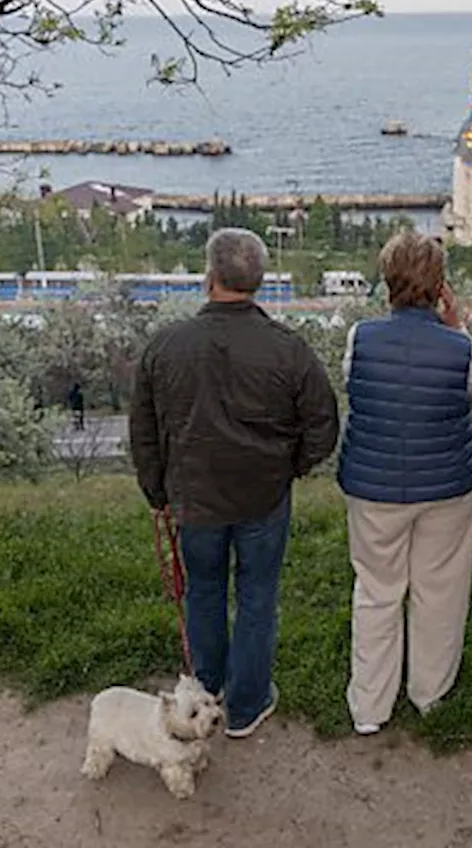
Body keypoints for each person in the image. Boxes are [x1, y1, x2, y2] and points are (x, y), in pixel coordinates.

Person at [129, 229, 339, 739]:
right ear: (260, 281)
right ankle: (246, 707)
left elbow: (144, 431)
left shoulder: (166, 346)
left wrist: (157, 491)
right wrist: (290, 466)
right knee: (257, 596)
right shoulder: (289, 351)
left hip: (194, 498)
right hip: (263, 497)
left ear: (209, 278)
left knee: (202, 591)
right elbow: (323, 426)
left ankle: (207, 690)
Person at [337, 231, 472, 735]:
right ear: (440, 287)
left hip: (372, 484)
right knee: (440, 588)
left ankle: (369, 708)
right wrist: (459, 328)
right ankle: (430, 694)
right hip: (448, 482)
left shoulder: (359, 337)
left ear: (387, 282)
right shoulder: (461, 349)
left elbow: (354, 384)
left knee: (377, 590)